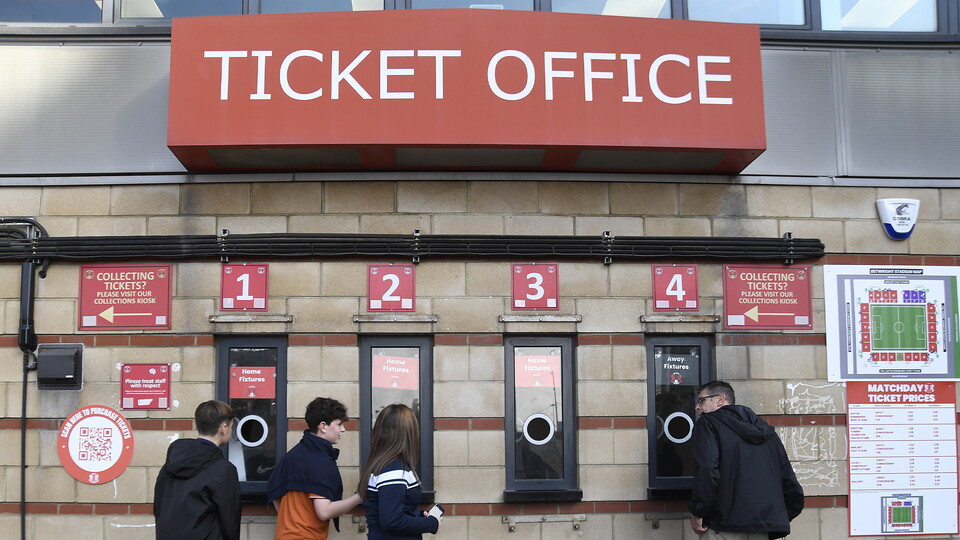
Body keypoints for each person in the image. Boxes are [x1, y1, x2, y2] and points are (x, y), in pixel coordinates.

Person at [689, 381, 804, 540]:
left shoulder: (707, 423)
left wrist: (698, 512)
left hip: (722, 525)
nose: (697, 407)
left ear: (720, 399)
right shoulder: (766, 432)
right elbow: (787, 478)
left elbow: (707, 471)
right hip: (762, 527)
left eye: (702, 400)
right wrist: (778, 517)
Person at [267, 397, 362, 539]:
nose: (343, 429)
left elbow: (275, 495)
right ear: (323, 426)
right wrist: (360, 497)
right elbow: (324, 512)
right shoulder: (320, 461)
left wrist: (293, 519)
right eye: (339, 424)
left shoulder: (292, 455)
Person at [154, 400, 241, 540]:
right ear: (224, 428)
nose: (231, 430)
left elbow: (159, 507)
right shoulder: (224, 469)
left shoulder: (170, 463)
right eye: (231, 426)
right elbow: (229, 520)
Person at [359, 404, 441, 540]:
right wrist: (431, 523)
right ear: (409, 433)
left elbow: (394, 512)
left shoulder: (385, 465)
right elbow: (392, 521)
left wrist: (420, 516)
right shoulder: (394, 469)